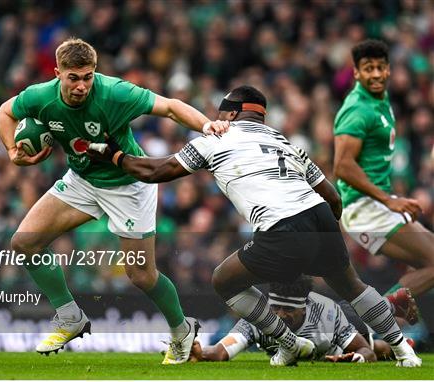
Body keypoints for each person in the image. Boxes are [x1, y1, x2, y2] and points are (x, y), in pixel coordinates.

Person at [88, 85, 421, 367]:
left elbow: (154, 172)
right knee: (353, 286)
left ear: (230, 114)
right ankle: (404, 352)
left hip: (282, 226)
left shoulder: (218, 137)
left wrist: (115, 156)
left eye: (221, 115)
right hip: (320, 217)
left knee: (224, 280)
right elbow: (334, 198)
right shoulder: (286, 142)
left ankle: (289, 343)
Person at [0, 37, 227, 364]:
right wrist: (11, 151)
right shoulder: (40, 97)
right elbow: (5, 111)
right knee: (23, 243)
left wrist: (206, 124)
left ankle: (182, 330)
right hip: (83, 180)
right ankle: (69, 317)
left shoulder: (115, 93)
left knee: (141, 276)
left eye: (87, 77)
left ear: (95, 72)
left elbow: (171, 107)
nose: (81, 86)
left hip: (128, 185)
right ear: (57, 72)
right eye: (73, 77)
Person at [333, 39, 434, 319]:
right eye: (368, 68)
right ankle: (359, 323)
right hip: (365, 208)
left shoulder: (381, 100)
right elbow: (342, 166)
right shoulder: (358, 109)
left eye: (380, 67)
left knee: (426, 264)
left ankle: (380, 335)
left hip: (375, 205)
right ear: (356, 73)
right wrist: (389, 200)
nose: (375, 74)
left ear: (388, 70)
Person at [189, 277, 409, 364]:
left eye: (289, 309)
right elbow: (220, 351)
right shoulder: (259, 317)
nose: (281, 315)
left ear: (303, 306)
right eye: (277, 308)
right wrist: (201, 352)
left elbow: (365, 353)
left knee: (373, 346)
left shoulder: (326, 315)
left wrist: (353, 360)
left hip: (341, 319)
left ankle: (391, 309)